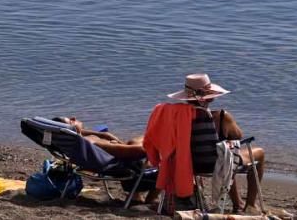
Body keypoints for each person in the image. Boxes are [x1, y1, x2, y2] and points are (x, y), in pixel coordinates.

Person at [165, 74, 267, 212]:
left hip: (189, 165)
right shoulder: (221, 116)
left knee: (225, 153)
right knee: (255, 153)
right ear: (210, 96)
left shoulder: (178, 117)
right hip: (215, 164)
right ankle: (251, 204)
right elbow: (238, 136)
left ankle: (238, 203)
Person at [51, 116, 146, 161]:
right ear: (70, 128)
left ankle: (136, 195)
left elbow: (74, 132)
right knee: (137, 141)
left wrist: (103, 135)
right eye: (71, 121)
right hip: (125, 163)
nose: (74, 117)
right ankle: (151, 198)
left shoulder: (75, 142)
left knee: (134, 141)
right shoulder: (91, 143)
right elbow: (139, 150)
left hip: (113, 156)